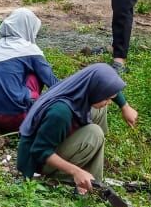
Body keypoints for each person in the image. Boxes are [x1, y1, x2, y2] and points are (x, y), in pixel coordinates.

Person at [16, 63, 138, 195]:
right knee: (94, 133)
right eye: (107, 98)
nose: (109, 101)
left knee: (100, 109)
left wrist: (124, 106)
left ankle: (92, 154)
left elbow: (107, 86)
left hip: (51, 138)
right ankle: (91, 184)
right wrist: (76, 171)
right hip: (35, 162)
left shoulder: (79, 87)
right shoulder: (60, 113)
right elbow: (39, 151)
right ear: (95, 90)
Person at [0, 8, 58, 134]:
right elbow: (54, 84)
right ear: (28, 27)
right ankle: (32, 114)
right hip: (15, 118)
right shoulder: (30, 50)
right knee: (35, 74)